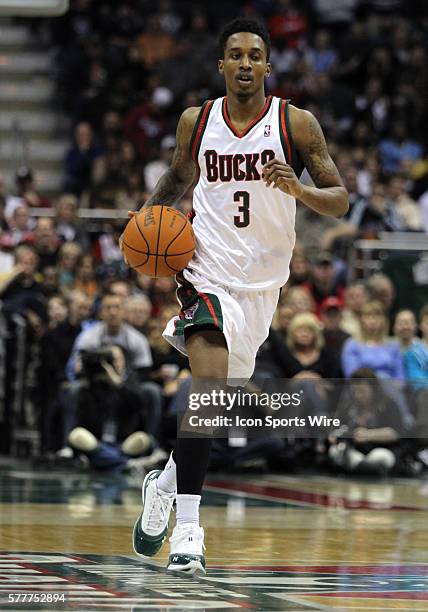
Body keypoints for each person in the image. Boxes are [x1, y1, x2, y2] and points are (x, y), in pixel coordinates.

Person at [121, 18, 348, 574]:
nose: (245, 63)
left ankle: (166, 482)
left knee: (214, 403)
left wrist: (300, 188)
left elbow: (339, 199)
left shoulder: (296, 124)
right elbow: (177, 179)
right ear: (221, 65)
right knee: (205, 388)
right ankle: (191, 534)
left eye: (254, 55)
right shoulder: (196, 122)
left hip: (263, 286)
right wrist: (143, 224)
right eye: (234, 55)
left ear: (267, 67)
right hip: (206, 270)